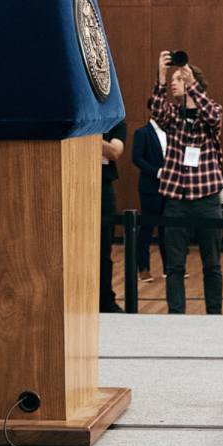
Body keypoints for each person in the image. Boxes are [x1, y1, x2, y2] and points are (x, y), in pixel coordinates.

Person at [149, 51, 223, 316]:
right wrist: (161, 75)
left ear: (194, 84)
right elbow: (157, 111)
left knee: (212, 264)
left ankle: (214, 314)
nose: (174, 82)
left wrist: (192, 82)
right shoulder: (172, 116)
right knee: (174, 266)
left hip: (207, 199)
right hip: (176, 200)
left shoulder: (212, 111)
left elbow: (213, 118)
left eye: (179, 79)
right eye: (174, 79)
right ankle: (176, 315)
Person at [130, 102, 166, 284]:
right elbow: (137, 159)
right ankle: (143, 268)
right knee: (147, 228)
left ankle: (170, 267)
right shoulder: (142, 133)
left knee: (167, 228)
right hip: (151, 187)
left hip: (170, 187)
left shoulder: (172, 132)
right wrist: (157, 172)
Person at [98, 116, 129, 312]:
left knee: (104, 247)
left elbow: (115, 151)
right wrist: (102, 145)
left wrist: (84, 135)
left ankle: (105, 300)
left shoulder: (114, 122)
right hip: (73, 180)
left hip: (103, 185)